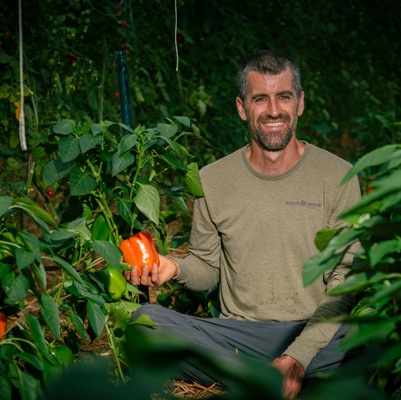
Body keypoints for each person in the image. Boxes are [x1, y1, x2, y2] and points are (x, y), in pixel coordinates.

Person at [124, 50, 361, 399]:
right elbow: (207, 268)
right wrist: (173, 267)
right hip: (238, 336)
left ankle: (266, 376)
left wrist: (299, 354)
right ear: (241, 107)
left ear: (300, 103)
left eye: (284, 96)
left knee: (373, 338)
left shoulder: (338, 175)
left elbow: (346, 280)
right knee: (145, 324)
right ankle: (272, 379)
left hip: (315, 330)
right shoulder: (213, 179)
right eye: (260, 99)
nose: (274, 110)